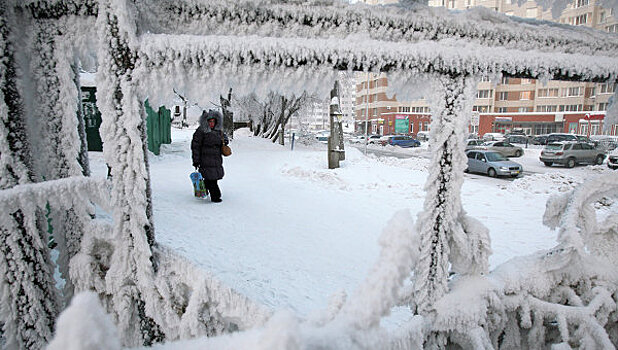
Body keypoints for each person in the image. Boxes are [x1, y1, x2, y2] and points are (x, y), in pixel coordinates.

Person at [191, 109, 229, 203]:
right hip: (205, 159)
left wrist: (224, 141)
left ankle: (205, 189)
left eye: (213, 121)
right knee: (211, 179)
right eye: (209, 121)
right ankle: (216, 197)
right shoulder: (200, 131)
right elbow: (195, 146)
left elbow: (224, 140)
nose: (212, 123)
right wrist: (196, 160)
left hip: (216, 159)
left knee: (212, 178)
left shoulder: (219, 131)